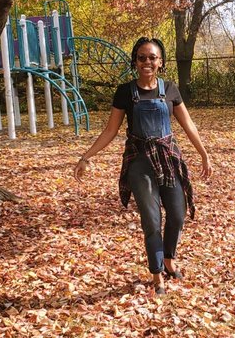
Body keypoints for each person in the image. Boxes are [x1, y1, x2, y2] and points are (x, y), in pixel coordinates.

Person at [74, 37, 212, 295]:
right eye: (141, 57)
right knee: (151, 219)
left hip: (169, 159)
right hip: (139, 162)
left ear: (161, 62)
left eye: (152, 57)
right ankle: (157, 272)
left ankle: (169, 258)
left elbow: (188, 124)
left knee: (178, 214)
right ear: (135, 61)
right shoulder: (125, 92)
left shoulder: (170, 89)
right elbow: (110, 130)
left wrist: (203, 153)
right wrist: (86, 156)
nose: (147, 62)